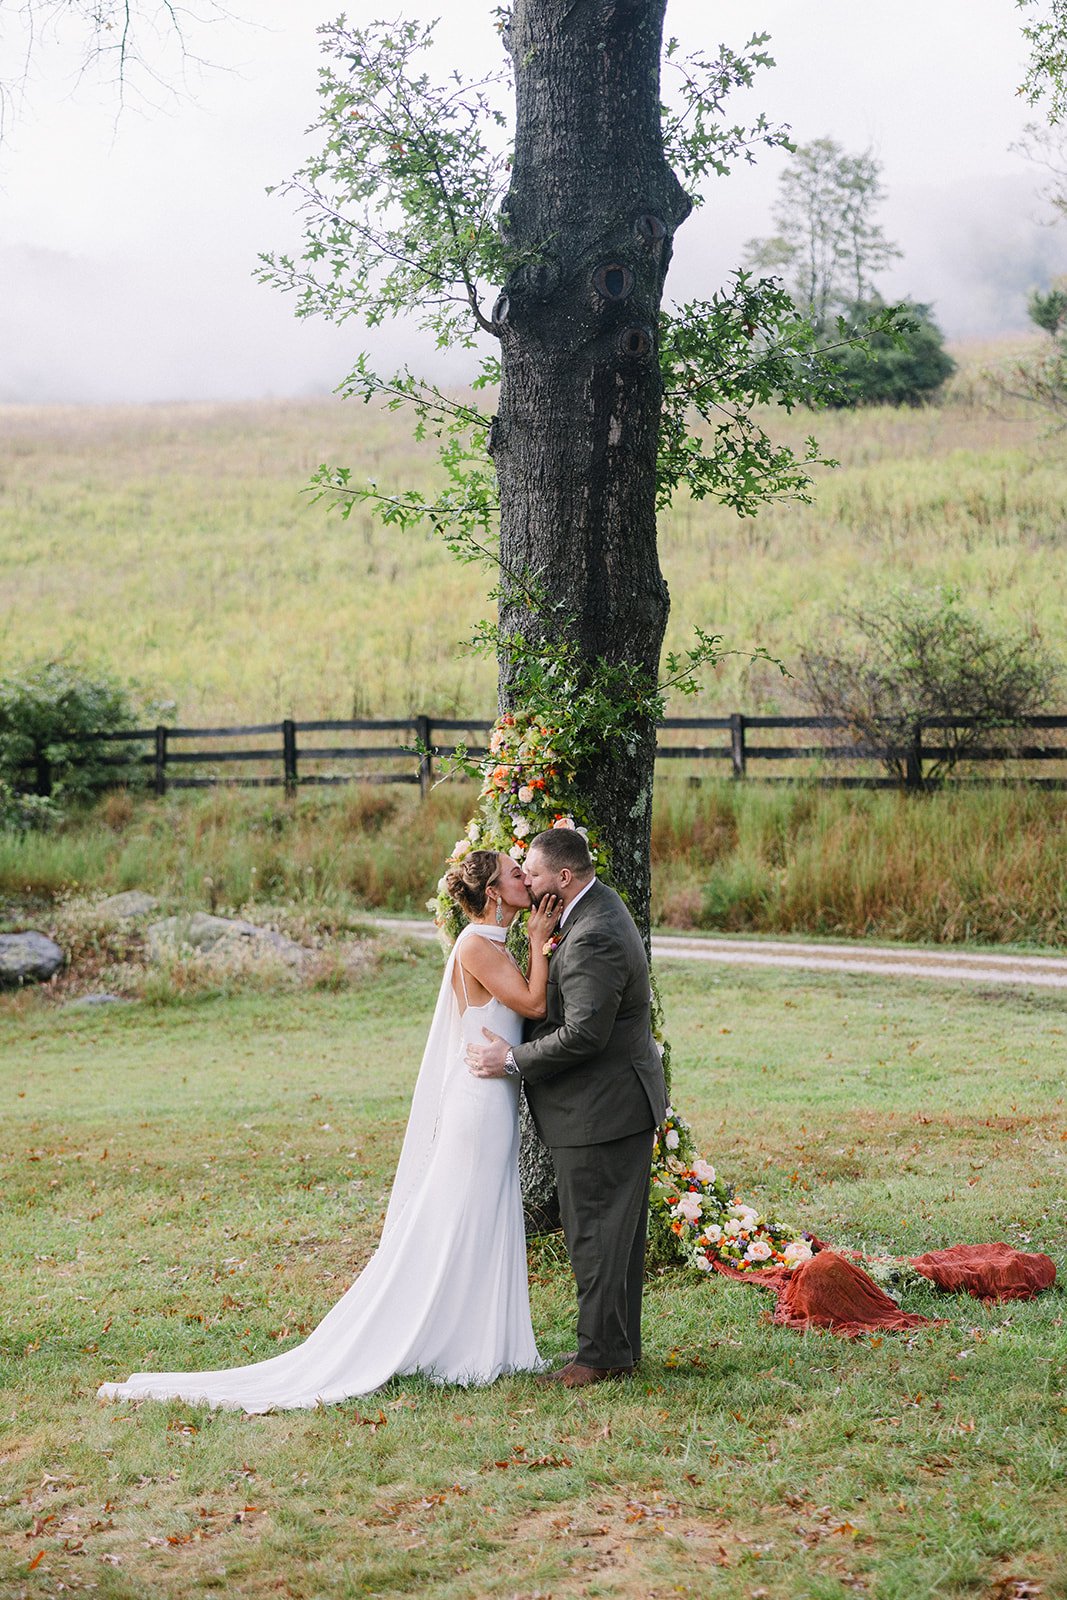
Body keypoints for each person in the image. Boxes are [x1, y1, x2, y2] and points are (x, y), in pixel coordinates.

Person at [97, 851, 560, 1413]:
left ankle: (485, 1339)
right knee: (463, 1214)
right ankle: (450, 1341)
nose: (525, 881)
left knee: (485, 1213)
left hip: (496, 1100)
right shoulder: (475, 945)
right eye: (515, 874)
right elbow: (532, 1001)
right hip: (479, 1104)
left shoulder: (493, 942)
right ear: (491, 892)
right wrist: (539, 942)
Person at [467, 828, 667, 1389]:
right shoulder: (588, 911)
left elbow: (583, 1035)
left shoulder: (593, 935)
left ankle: (597, 1358)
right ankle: (616, 1349)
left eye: (531, 871)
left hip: (603, 1109)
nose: (525, 879)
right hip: (611, 1104)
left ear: (564, 878)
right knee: (610, 1235)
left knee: (595, 1234)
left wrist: (512, 1058)